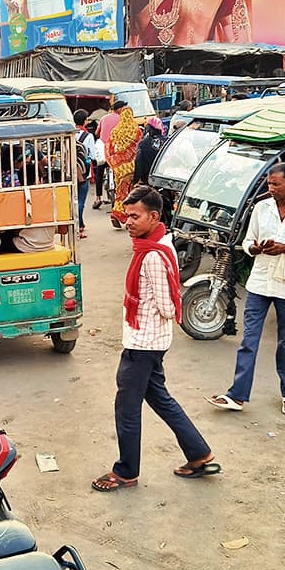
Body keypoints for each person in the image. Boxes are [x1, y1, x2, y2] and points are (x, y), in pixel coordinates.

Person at [92, 186, 219, 492]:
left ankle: (126, 471)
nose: (128, 222)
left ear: (153, 216)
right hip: (151, 341)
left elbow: (166, 305)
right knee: (160, 399)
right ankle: (200, 454)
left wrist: (144, 308)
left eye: (135, 216)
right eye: (127, 215)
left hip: (143, 344)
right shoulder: (159, 244)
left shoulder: (151, 255)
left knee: (127, 407)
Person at [207, 164, 285, 416]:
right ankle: (237, 395)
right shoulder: (262, 208)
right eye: (269, 184)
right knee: (248, 340)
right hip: (260, 283)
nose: (270, 189)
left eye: (276, 184)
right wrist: (256, 248)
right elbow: (248, 242)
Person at [107, 103, 141, 229]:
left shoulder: (115, 131)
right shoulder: (135, 130)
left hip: (119, 168)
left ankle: (116, 214)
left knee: (120, 192)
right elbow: (139, 149)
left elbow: (109, 148)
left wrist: (114, 163)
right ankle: (127, 217)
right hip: (131, 168)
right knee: (131, 193)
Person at [92, 102, 123, 209]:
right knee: (119, 171)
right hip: (115, 150)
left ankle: (98, 197)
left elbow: (97, 133)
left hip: (104, 149)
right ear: (119, 109)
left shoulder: (104, 118)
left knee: (100, 172)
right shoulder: (122, 119)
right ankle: (120, 196)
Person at [73, 109, 94, 238]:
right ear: (85, 121)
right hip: (84, 172)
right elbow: (92, 154)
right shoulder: (88, 136)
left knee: (73, 200)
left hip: (70, 172)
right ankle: (79, 225)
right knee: (80, 201)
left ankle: (78, 223)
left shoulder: (70, 133)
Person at [134, 116, 167, 185]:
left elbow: (139, 163)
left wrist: (136, 180)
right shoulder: (168, 141)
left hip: (148, 179)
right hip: (165, 178)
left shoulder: (143, 143)